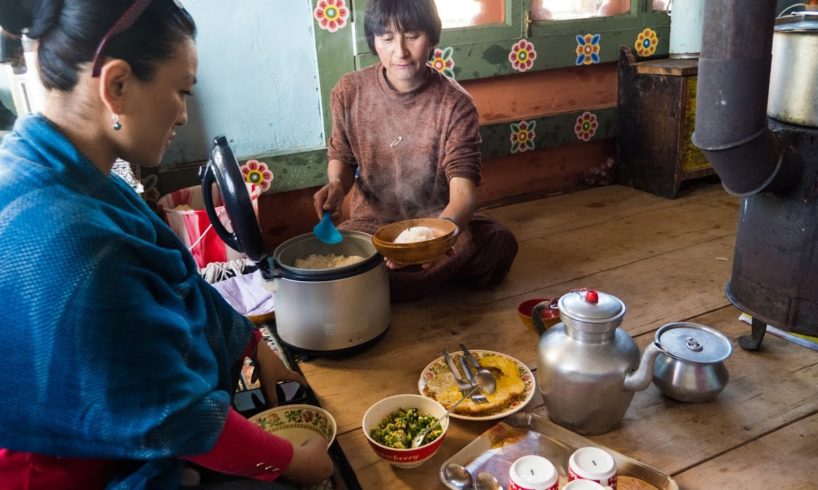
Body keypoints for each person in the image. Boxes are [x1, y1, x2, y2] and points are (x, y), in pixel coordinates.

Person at [0, 1, 334, 488]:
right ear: (116, 85)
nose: (182, 114)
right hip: (72, 473)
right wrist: (295, 464)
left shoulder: (65, 172)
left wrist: (251, 343)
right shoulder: (75, 240)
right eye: (181, 91)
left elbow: (180, 286)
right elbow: (173, 415)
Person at [313, 0, 518, 302]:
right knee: (341, 248)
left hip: (436, 226)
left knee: (498, 243)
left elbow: (463, 196)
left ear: (432, 38)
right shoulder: (349, 91)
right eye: (387, 38)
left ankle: (383, 282)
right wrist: (336, 186)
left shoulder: (455, 104)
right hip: (372, 227)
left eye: (412, 36)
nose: (400, 51)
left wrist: (431, 242)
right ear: (373, 42)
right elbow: (341, 157)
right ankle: (416, 278)